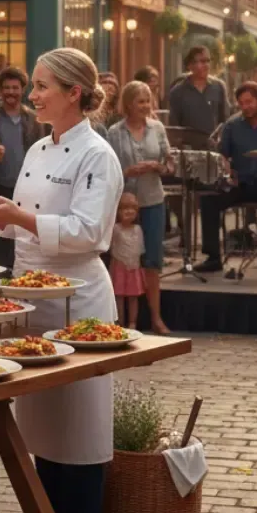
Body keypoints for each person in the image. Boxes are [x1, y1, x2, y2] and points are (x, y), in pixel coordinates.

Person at [0, 47, 122, 513]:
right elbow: (24, 222)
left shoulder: (98, 154)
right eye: (33, 86)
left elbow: (89, 232)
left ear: (74, 93)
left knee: (78, 440)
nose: (31, 95)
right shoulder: (38, 148)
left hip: (78, 303)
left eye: (41, 87)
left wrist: (18, 217)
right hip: (31, 300)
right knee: (42, 440)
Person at [195, 82, 257, 272]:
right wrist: (227, 172)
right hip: (240, 183)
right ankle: (213, 257)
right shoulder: (232, 125)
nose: (245, 107)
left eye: (249, 102)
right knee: (208, 200)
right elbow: (223, 155)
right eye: (241, 103)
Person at [106, 81, 172, 333]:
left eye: (148, 100)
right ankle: (119, 320)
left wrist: (159, 167)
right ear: (128, 104)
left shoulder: (157, 128)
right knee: (121, 260)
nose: (145, 105)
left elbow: (169, 163)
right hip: (124, 203)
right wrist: (127, 171)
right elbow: (108, 170)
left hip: (153, 200)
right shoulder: (115, 132)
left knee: (152, 261)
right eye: (140, 101)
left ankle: (156, 318)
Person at [0, 66, 49, 270]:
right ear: (0, 91)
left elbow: (46, 153)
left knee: (25, 242)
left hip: (28, 192)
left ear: (23, 90)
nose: (10, 92)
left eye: (15, 88)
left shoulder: (34, 119)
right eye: (6, 88)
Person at [167, 46, 228, 148]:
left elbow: (225, 120)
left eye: (208, 61)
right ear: (190, 65)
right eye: (202, 61)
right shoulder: (177, 91)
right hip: (189, 151)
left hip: (214, 150)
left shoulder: (219, 87)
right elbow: (174, 128)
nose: (206, 65)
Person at [110, 192, 145, 328]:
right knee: (118, 296)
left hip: (133, 267)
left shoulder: (138, 229)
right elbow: (111, 246)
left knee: (133, 297)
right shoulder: (116, 229)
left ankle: (132, 323)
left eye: (133, 208)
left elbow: (140, 249)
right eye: (124, 208)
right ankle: (120, 322)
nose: (129, 212)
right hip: (119, 266)